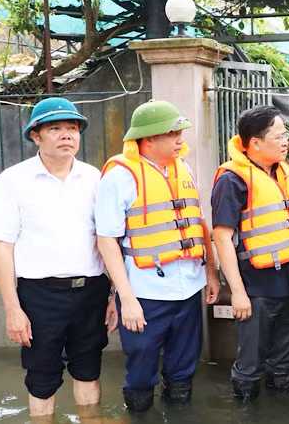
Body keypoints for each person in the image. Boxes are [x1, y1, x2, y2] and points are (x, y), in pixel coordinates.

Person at [0, 97, 117, 418]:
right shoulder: (14, 181)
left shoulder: (95, 178)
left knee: (89, 369)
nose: (66, 135)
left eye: (72, 128)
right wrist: (13, 309)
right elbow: (2, 247)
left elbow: (107, 240)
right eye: (55, 128)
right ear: (35, 136)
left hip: (92, 290)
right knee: (41, 377)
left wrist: (113, 292)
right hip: (39, 295)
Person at [95, 100, 220, 412]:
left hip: (188, 288)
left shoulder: (183, 169)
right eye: (172, 132)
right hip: (144, 293)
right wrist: (126, 299)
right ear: (148, 139)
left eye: (180, 131)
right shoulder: (120, 176)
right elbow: (107, 241)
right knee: (140, 372)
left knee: (183, 370)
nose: (180, 139)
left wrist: (211, 273)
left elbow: (198, 222)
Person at [210, 105, 289, 402]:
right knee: (249, 366)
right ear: (255, 142)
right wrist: (238, 293)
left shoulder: (285, 173)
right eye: (279, 136)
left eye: (286, 135)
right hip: (257, 288)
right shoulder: (231, 179)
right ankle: (245, 414)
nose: (286, 142)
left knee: (285, 364)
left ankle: (281, 411)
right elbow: (222, 238)